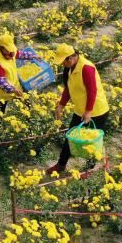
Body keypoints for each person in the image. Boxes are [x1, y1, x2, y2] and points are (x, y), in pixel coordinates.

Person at [46, 43, 109, 175]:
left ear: (71, 58)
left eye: (63, 61)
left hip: (97, 110)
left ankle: (90, 169)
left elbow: (92, 91)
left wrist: (88, 112)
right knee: (70, 137)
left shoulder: (86, 68)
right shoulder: (69, 69)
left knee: (93, 142)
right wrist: (61, 105)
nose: (62, 64)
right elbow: (68, 89)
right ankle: (61, 165)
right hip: (81, 109)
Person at [0, 33, 39, 112]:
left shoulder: (11, 51)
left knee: (26, 105)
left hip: (15, 85)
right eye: (8, 49)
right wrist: (12, 89)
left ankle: (29, 118)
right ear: (1, 48)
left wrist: (33, 56)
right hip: (2, 91)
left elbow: (20, 54)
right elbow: (0, 81)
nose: (11, 52)